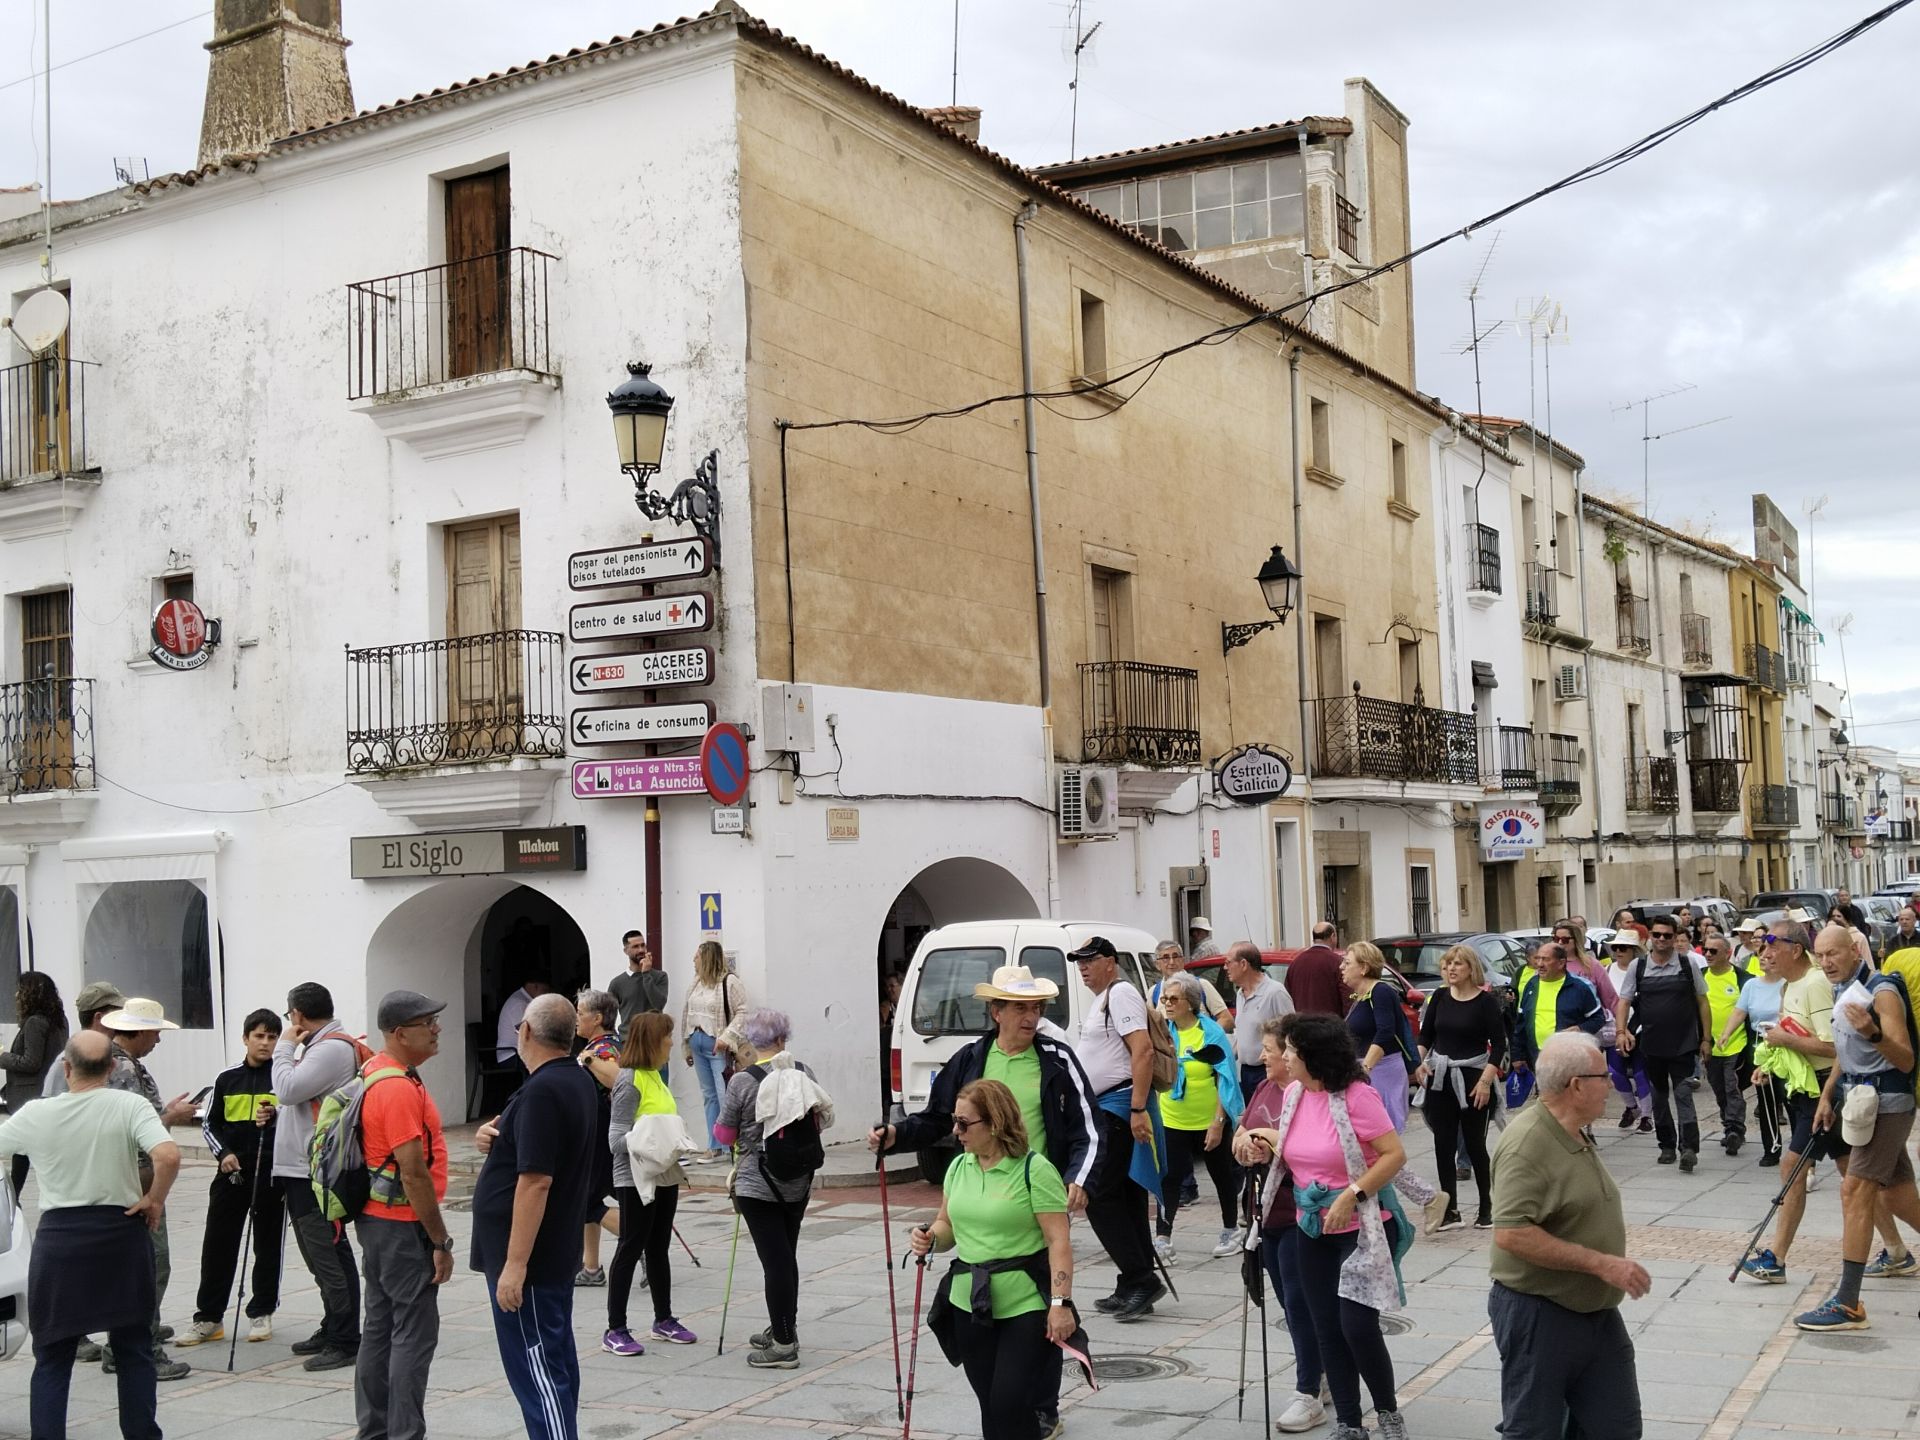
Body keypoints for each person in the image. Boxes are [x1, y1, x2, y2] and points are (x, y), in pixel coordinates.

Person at [872, 964, 1098, 1437]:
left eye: (1036, 1007)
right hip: (980, 1189)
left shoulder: (1056, 1058)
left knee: (1036, 1289)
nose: (1030, 1017)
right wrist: (896, 1135)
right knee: (994, 1390)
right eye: (1020, 1007)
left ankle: (1042, 1406)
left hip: (1035, 1190)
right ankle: (1020, 1410)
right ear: (995, 1011)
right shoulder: (971, 1059)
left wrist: (1076, 1178)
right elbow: (936, 1118)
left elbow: (1088, 1129)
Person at [0, 1033, 180, 1440]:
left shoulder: (37, 1114)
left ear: (65, 1069)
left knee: (52, 1356)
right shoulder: (129, 1105)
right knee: (133, 1348)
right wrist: (154, 1200)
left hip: (61, 1241)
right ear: (112, 1068)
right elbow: (168, 1155)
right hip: (120, 1234)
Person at [1243, 1013, 1413, 1440]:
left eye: (1291, 1051)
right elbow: (1297, 1148)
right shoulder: (1298, 1093)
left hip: (1364, 1229)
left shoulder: (1357, 1096)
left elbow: (1394, 1156)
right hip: (1312, 1230)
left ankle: (1389, 1414)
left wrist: (1351, 1194)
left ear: (1313, 1057)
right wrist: (1263, 1144)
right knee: (1326, 1328)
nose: (1283, 1056)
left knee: (1357, 1327)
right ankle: (1349, 1423)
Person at [1489, 1032, 1651, 1440]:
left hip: (1594, 1314)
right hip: (1540, 1314)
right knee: (1535, 1430)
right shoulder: (1527, 1143)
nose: (1612, 1083)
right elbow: (1511, 1234)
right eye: (1603, 1075)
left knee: (1617, 1428)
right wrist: (1600, 1263)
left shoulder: (1576, 1128)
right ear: (1576, 1085)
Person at [909, 1078, 1075, 1440]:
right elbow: (947, 1226)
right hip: (969, 1302)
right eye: (955, 1121)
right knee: (990, 1405)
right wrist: (929, 1238)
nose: (956, 1131)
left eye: (964, 1123)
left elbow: (1058, 1240)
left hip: (1025, 1302)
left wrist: (1060, 1303)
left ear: (995, 1123)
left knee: (1009, 1400)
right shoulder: (958, 1167)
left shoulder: (1035, 1170)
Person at [474, 993, 599, 1438]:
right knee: (554, 1360)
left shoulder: (545, 1088)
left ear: (526, 1032)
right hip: (553, 1251)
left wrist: (515, 1264)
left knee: (537, 1370)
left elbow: (536, 1181)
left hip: (534, 1259)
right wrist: (499, 1136)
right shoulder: (572, 1079)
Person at [1789, 923, 1920, 1331]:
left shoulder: (1881, 992)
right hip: (1860, 1102)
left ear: (1854, 950)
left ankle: (1848, 1303)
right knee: (1897, 1195)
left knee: (1854, 1190)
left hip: (1888, 1103)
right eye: (1820, 955)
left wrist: (1873, 1030)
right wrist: (1829, 1095)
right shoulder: (1842, 989)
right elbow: (1846, 1053)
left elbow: (1904, 1060)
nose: (1826, 962)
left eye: (1834, 953)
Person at [355, 990, 455, 1440]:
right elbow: (413, 1173)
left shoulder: (377, 1071)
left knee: (379, 1330)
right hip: (401, 1226)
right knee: (412, 1335)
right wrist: (440, 1241)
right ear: (400, 1034)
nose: (436, 1029)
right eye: (427, 1022)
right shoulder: (395, 1086)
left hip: (377, 1222)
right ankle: (404, 1434)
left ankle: (376, 1431)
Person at [713, 1008, 834, 1369]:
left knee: (775, 1261)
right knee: (786, 1256)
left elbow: (724, 1134)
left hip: (758, 1181)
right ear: (783, 1039)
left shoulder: (742, 1081)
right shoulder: (802, 1072)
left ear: (750, 1041)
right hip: (798, 1179)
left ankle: (782, 1344)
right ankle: (785, 1327)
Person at [1232, 1015, 1326, 1434]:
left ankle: (1309, 1391)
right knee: (1290, 1304)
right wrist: (1244, 1147)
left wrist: (1268, 1144)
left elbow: (1307, 1152)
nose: (1263, 1056)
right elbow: (1242, 1131)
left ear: (1293, 1056)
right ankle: (1321, 1371)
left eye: (1271, 1050)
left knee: (1299, 1300)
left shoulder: (1308, 1096)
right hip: (1262, 1212)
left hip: (1299, 1213)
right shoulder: (1264, 1087)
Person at [98, 999, 198, 1383]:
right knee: (151, 1266)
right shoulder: (123, 1068)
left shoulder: (122, 1064)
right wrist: (170, 1117)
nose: (159, 1039)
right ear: (138, 1031)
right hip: (138, 1183)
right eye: (156, 1032)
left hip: (131, 1179)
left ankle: (122, 1345)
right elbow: (136, 1131)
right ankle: (140, 1349)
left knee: (138, 1266)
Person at [1065, 935, 1164, 1321]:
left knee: (1100, 1195)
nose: (1083, 967)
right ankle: (1134, 1279)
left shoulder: (1120, 994)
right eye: (1079, 962)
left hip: (1118, 1107)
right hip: (1111, 1105)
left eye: (1090, 960)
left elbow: (1142, 1051)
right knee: (1124, 1196)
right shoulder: (1105, 998)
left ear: (1110, 961)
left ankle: (1141, 1277)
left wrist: (1137, 1108)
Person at [1740, 921, 1840, 1285]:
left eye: (1772, 945)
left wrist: (1785, 1040)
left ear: (1795, 950)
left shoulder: (1815, 984)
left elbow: (1834, 1049)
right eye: (1762, 947)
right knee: (1864, 1183)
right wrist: (1766, 1064)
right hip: (1803, 1092)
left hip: (1824, 1093)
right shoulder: (1790, 986)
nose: (1765, 954)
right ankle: (1895, 1250)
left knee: (1791, 1168)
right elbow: (1788, 1038)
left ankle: (1776, 1259)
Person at [273, 981, 366, 1370]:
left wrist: (283, 1045)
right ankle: (333, 1324)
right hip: (301, 1169)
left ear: (297, 1015)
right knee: (318, 1254)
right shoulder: (321, 1047)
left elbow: (288, 1089)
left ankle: (345, 1338)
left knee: (327, 1253)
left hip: (314, 1172)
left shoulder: (330, 1049)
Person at [178, 1008, 284, 1347]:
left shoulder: (283, 1077)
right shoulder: (226, 1079)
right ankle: (209, 1317)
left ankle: (261, 1311)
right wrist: (224, 1154)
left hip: (270, 1175)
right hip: (232, 1176)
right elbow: (209, 1124)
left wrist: (276, 1116)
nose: (265, 1043)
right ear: (245, 1038)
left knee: (268, 1245)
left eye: (271, 1037)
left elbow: (296, 1120)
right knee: (218, 1245)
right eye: (259, 1036)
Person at [603, 1011, 698, 1356]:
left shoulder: (656, 1077)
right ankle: (615, 1328)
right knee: (630, 1246)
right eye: (666, 1036)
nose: (671, 1042)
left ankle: (664, 1319)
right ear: (651, 1041)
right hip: (634, 1179)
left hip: (664, 1175)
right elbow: (615, 1139)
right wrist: (653, 1139)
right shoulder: (629, 1080)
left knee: (658, 1247)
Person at [1153, 975, 1245, 1263]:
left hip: (1208, 1120)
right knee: (1169, 1179)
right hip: (1171, 1118)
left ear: (1191, 1004)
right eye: (1164, 999)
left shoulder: (1211, 1033)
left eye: (1173, 999)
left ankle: (1231, 1231)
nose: (1167, 1004)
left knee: (1222, 1177)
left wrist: (1218, 1122)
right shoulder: (1163, 1032)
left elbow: (1225, 1079)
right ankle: (1162, 1239)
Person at [1418, 944, 1506, 1230]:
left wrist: (1484, 1082)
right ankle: (1450, 1209)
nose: (1451, 969)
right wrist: (1419, 1063)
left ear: (1471, 969)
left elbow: (1499, 1046)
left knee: (1474, 1145)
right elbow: (1425, 1036)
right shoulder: (1440, 997)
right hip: (1441, 1078)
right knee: (1442, 1145)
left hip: (1473, 1078)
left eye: (1457, 964)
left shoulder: (1485, 1002)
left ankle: (1486, 1206)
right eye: (1447, 964)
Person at [1614, 914, 1712, 1170]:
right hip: (1652, 1045)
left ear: (1674, 937)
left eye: (1667, 935)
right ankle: (1667, 1145)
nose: (1661, 939)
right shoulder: (1639, 966)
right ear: (1650, 937)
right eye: (1656, 935)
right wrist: (1621, 1032)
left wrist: (1706, 1039)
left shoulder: (1686, 964)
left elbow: (1703, 1001)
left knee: (1682, 1094)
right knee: (1658, 1097)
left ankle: (1689, 1148)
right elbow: (1623, 1001)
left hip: (1683, 1043)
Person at [1512, 942, 1606, 1107]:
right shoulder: (1531, 985)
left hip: (1569, 1058)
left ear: (1561, 963)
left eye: (1546, 959)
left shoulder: (1579, 988)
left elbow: (1598, 1018)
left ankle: (1579, 1129)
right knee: (1548, 1103)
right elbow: (1520, 1022)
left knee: (1570, 1103)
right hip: (1539, 1057)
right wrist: (1517, 1055)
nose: (1539, 964)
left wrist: (1579, 1029)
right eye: (1538, 959)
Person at [0, 970, 68, 1197]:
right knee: (26, 1152)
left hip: (29, 1095)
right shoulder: (59, 1020)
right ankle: (15, 1198)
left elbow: (31, 1062)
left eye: (21, 990)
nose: (17, 995)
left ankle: (13, 1198)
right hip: (45, 1092)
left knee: (23, 1150)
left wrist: (1, 1056)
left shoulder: (35, 1023)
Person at [1720, 942, 1787, 1166]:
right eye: (1761, 954)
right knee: (1765, 1098)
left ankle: (1802, 1150)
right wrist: (1726, 1034)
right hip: (1760, 1045)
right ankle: (1772, 1148)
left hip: (1785, 1043)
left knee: (1788, 1097)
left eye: (1769, 955)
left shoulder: (1788, 984)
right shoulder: (1751, 985)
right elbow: (1740, 1011)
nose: (1764, 958)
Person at [1340, 942, 1420, 1132]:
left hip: (1382, 1072)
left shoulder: (1380, 991)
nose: (1341, 967)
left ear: (1364, 967)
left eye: (1347, 962)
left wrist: (1365, 1068)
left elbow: (1385, 1032)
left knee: (1383, 1134)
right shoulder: (1360, 997)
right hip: (1364, 1071)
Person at [573, 991, 624, 1285]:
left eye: (581, 1013)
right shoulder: (603, 1045)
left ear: (598, 1018)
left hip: (600, 1135)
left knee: (585, 1200)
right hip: (599, 1133)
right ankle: (590, 1268)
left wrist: (588, 1059)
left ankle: (637, 1239)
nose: (577, 1018)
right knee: (589, 1198)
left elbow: (616, 1079)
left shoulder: (603, 1048)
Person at [681, 941, 745, 1162]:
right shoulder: (696, 983)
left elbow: (742, 1012)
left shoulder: (728, 982)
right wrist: (686, 1045)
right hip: (697, 1040)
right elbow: (686, 1012)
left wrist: (727, 1037)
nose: (693, 960)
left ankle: (731, 1145)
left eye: (697, 956)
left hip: (717, 1043)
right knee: (709, 1095)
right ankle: (714, 1144)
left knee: (724, 1093)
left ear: (706, 958)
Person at [1700, 936, 1753, 1157]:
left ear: (1727, 953)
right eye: (1706, 950)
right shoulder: (1701, 977)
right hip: (1709, 1046)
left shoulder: (1742, 979)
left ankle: (1734, 1130)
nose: (1708, 954)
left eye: (1714, 951)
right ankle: (1728, 1123)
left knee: (1732, 1087)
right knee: (1718, 1088)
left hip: (1736, 1044)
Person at [1224, 942, 1292, 1101]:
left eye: (1228, 963)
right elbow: (1241, 1034)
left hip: (1269, 1071)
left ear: (1243, 964)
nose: (1225, 967)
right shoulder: (1240, 994)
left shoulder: (1275, 992)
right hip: (1246, 1073)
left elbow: (1291, 1032)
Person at [1603, 934, 1655, 1133]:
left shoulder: (1644, 970)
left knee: (1641, 1073)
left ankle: (1646, 1116)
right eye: (1615, 947)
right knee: (1616, 1073)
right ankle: (1632, 1108)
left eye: (1623, 948)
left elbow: (1645, 1003)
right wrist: (1620, 1030)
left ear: (1634, 950)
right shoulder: (1607, 970)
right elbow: (1606, 1002)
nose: (1618, 952)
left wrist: (1631, 1029)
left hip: (1641, 1029)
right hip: (1615, 1029)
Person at [1147, 941, 1232, 1031]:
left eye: (1175, 956)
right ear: (1157, 965)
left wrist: (1206, 1037)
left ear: (1183, 960)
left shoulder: (1201, 985)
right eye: (1166, 958)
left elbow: (1227, 1020)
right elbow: (1151, 1027)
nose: (1171, 962)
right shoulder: (1153, 993)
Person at [608, 930, 668, 1034]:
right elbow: (607, 1016)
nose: (641, 950)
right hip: (628, 1040)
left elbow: (658, 1005)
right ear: (626, 951)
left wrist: (646, 974)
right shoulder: (617, 983)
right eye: (635, 947)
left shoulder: (660, 977)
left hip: (654, 1039)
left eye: (643, 945)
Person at [1289, 922, 1348, 1017]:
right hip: (1330, 1026)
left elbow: (1288, 997)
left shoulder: (1296, 962)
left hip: (1300, 1025)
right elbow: (1347, 997)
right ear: (1332, 936)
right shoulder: (1338, 962)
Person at [495, 975, 550, 1064]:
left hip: (519, 1052)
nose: (546, 995)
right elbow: (524, 1032)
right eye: (544, 991)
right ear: (535, 986)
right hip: (510, 1054)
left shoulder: (525, 1000)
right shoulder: (519, 1003)